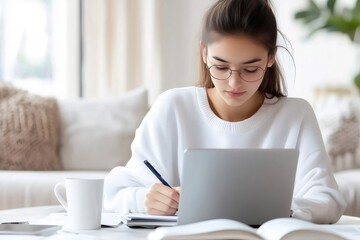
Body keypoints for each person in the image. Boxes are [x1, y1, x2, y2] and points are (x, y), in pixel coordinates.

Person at [104, 0, 346, 224]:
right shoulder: (172, 107)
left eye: (251, 69)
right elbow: (114, 193)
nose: (234, 84)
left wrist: (285, 209)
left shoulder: (296, 115)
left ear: (271, 57)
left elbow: (328, 199)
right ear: (204, 52)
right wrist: (145, 199)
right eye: (220, 67)